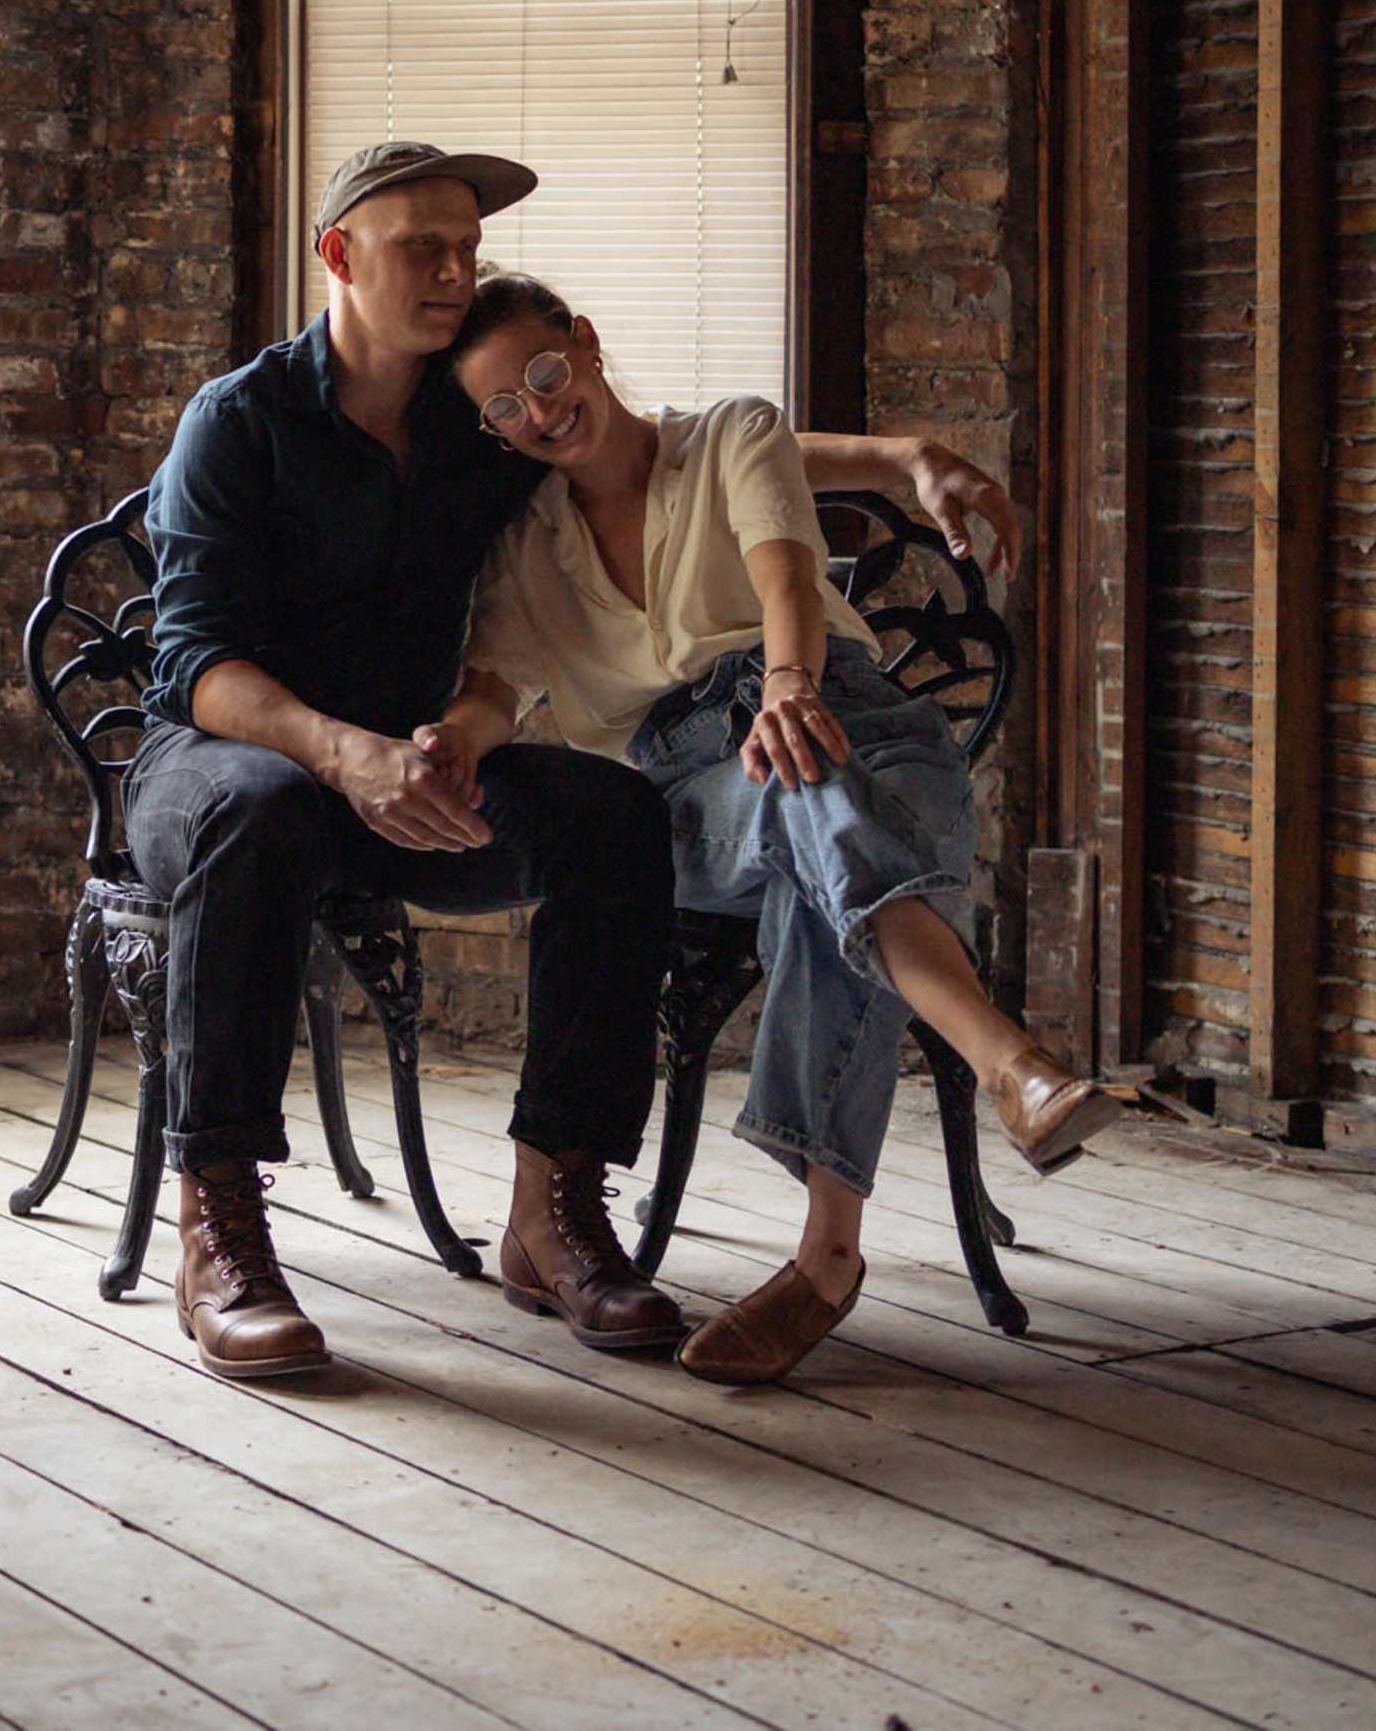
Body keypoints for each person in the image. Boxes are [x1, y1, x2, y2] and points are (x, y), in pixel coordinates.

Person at [127, 140, 1027, 1383]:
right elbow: (192, 664)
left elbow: (671, 452)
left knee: (608, 811)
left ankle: (555, 1211)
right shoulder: (240, 421)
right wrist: (342, 751)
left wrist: (898, 455)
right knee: (264, 801)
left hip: (425, 766)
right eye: (420, 248)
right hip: (232, 761)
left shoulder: (478, 421)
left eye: (467, 249)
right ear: (337, 255)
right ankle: (214, 1222)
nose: (453, 270)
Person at [446, 271, 1118, 1386]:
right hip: (686, 795)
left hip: (864, 725)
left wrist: (791, 685)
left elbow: (786, 572)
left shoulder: (732, 435)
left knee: (813, 794)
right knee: (812, 803)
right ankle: (1006, 1062)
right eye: (503, 406)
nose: (537, 409)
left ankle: (829, 1255)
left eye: (547, 373)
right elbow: (494, 686)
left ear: (588, 343)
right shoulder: (523, 549)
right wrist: (449, 739)